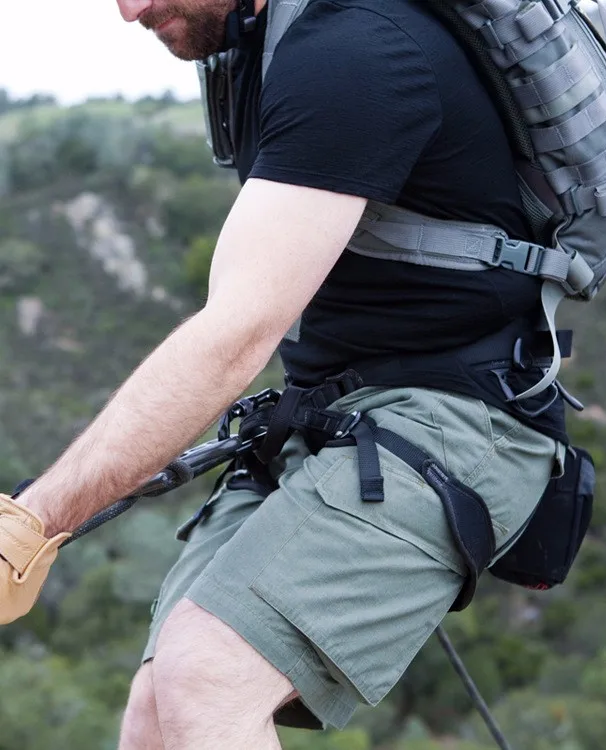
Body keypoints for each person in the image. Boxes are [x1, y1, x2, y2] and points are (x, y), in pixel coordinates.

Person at [0, 0, 569, 747]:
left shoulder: (357, 49)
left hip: (464, 418)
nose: (129, 8)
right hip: (334, 411)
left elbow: (235, 336)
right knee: (155, 714)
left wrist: (32, 521)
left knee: (205, 676)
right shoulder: (271, 47)